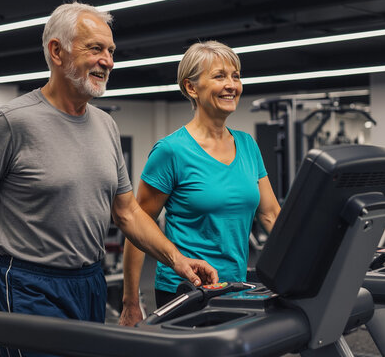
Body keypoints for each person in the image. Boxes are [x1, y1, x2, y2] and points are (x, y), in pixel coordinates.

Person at [0, 3, 217, 356]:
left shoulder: (106, 125)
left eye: (111, 51)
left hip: (89, 281)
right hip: (27, 283)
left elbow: (127, 212)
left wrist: (177, 258)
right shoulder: (12, 122)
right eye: (95, 48)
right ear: (57, 51)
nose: (108, 61)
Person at [119, 41, 281, 327]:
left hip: (236, 287)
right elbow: (137, 225)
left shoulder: (247, 145)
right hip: (183, 290)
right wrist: (131, 302)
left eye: (236, 76)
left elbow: (270, 214)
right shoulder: (171, 151)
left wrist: (311, 260)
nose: (232, 84)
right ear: (191, 88)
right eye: (219, 76)